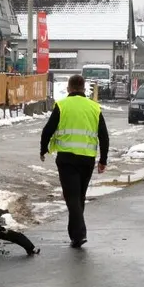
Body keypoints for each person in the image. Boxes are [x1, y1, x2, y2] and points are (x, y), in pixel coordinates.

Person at [40, 74, 109, 248]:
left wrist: (43, 148)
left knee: (71, 197)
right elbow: (104, 136)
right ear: (84, 88)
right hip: (87, 158)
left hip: (67, 158)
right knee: (79, 197)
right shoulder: (94, 107)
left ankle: (79, 233)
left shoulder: (62, 105)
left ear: (69, 88)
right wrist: (103, 159)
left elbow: (48, 129)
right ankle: (75, 236)